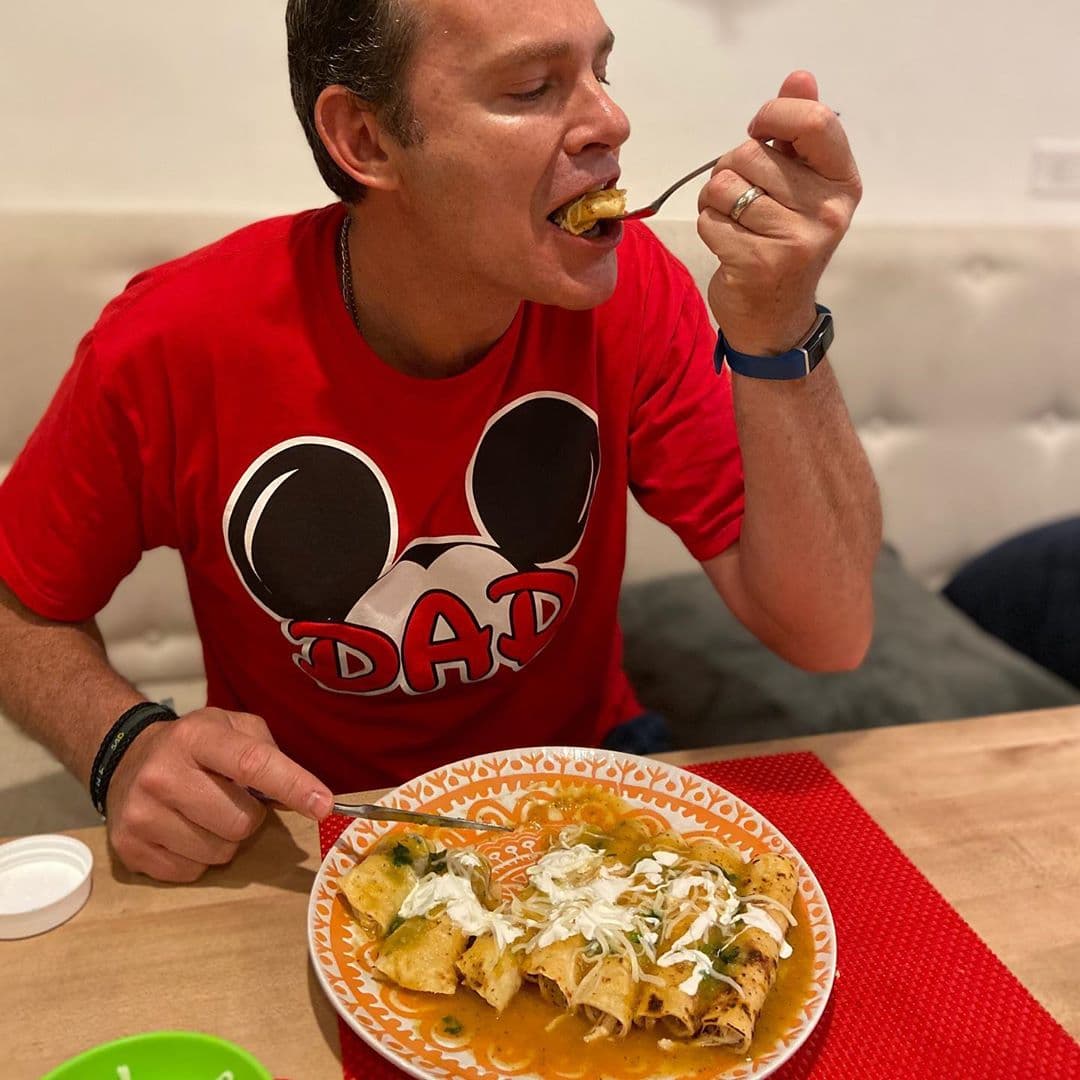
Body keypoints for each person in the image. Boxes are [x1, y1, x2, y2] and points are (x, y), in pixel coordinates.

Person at [0, 0, 880, 883]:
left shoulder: (631, 294)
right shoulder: (176, 343)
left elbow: (829, 634)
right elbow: (17, 602)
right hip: (313, 817)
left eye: (601, 73)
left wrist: (778, 331)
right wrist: (120, 744)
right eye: (533, 87)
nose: (612, 122)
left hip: (578, 788)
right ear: (367, 141)